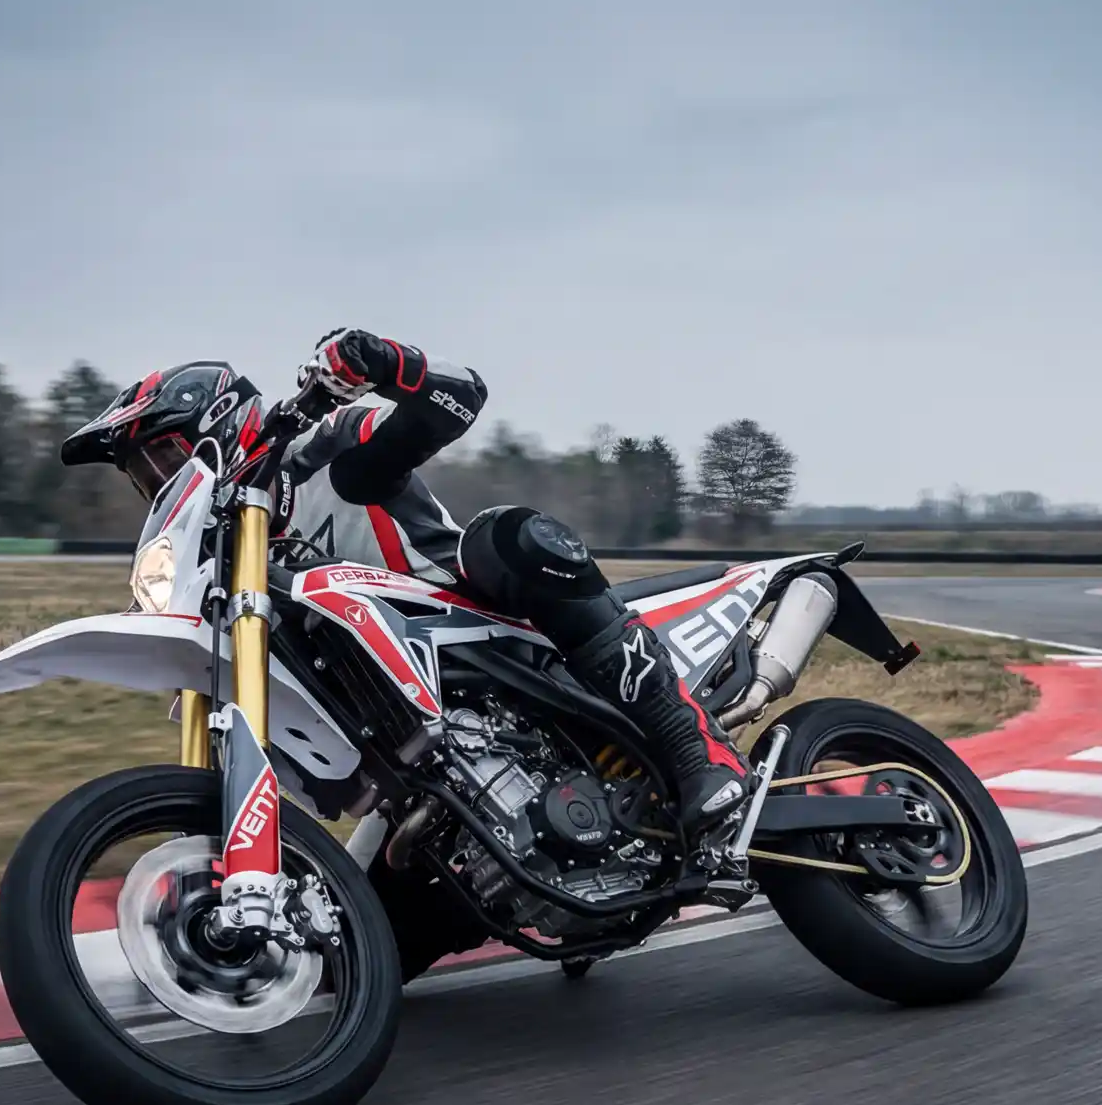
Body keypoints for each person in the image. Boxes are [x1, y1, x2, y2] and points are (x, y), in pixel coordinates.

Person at [62, 331, 752, 833]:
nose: (157, 482)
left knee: (509, 535)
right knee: (370, 946)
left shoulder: (321, 445)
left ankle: (698, 750)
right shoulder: (224, 562)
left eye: (162, 457)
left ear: (217, 425)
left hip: (471, 623)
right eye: (143, 476)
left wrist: (382, 360)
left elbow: (460, 397)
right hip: (410, 734)